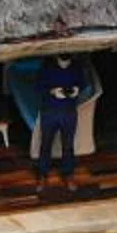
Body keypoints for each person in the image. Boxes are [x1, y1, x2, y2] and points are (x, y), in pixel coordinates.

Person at [33, 54, 91, 191]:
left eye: (67, 61)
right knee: (46, 143)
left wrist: (77, 89)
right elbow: (36, 87)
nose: (65, 64)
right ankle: (42, 174)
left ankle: (68, 174)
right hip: (49, 111)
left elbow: (83, 84)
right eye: (62, 61)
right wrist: (52, 91)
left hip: (69, 111)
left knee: (68, 145)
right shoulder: (46, 68)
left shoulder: (76, 68)